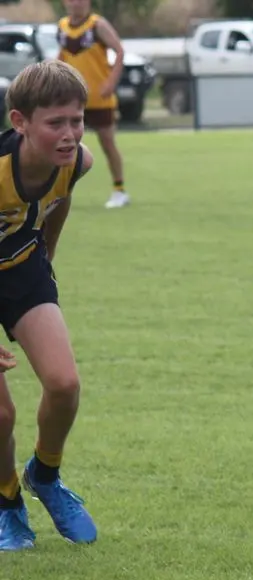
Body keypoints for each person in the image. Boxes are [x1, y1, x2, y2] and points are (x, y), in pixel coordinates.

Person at [0, 61, 98, 551]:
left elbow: (57, 206)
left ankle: (45, 473)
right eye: (54, 123)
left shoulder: (77, 162)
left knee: (64, 385)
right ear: (19, 122)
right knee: (1, 414)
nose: (69, 134)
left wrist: (46, 264)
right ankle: (6, 502)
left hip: (20, 268)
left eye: (76, 121)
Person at [56, 0, 127, 208]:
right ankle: (58, 192)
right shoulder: (62, 26)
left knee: (107, 143)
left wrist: (110, 83)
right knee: (65, 144)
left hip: (99, 98)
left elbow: (119, 51)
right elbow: (62, 56)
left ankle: (119, 189)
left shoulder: (97, 25)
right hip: (72, 98)